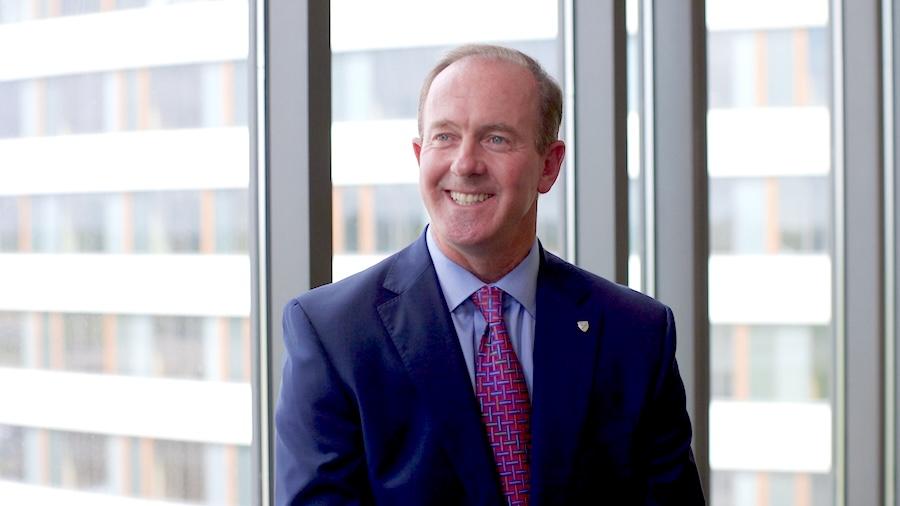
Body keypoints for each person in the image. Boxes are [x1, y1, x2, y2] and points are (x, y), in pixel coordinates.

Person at [275, 44, 705, 505]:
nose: (465, 164)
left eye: (496, 138)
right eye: (444, 137)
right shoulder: (333, 333)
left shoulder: (636, 333)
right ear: (420, 154)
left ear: (550, 164)